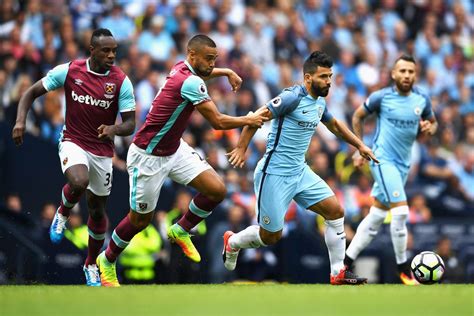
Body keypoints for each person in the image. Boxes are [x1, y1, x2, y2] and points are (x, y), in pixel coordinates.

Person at [96, 34, 270, 287]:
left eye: (215, 59)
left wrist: (225, 71)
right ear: (192, 55)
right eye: (209, 59)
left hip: (174, 149)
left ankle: (180, 229)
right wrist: (249, 120)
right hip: (148, 156)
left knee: (217, 189)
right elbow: (217, 122)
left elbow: (203, 73)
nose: (212, 64)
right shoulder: (189, 82)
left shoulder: (181, 67)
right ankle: (107, 259)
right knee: (139, 220)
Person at [224, 51, 378, 285]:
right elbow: (258, 117)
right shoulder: (291, 97)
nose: (328, 81)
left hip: (300, 171)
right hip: (274, 173)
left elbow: (334, 125)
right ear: (308, 78)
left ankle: (338, 272)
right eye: (324, 76)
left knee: (336, 211)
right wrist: (241, 148)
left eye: (330, 76)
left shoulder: (319, 102)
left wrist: (360, 145)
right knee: (271, 236)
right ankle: (233, 242)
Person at [12, 28, 136, 286]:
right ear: (92, 50)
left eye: (114, 50)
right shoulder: (69, 71)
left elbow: (130, 124)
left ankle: (91, 263)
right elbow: (30, 93)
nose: (112, 55)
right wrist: (20, 121)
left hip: (102, 152)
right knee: (78, 182)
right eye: (106, 50)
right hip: (73, 141)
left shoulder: (121, 81)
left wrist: (113, 129)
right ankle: (63, 211)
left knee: (98, 212)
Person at [344, 54, 438, 285]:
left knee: (376, 217)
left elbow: (433, 123)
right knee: (402, 212)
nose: (406, 75)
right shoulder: (382, 97)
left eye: (411, 72)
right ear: (394, 74)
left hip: (402, 166)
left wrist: (430, 127)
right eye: (402, 71)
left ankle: (343, 265)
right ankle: (403, 269)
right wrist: (360, 148)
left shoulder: (421, 100)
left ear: (415, 75)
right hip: (381, 160)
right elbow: (357, 116)